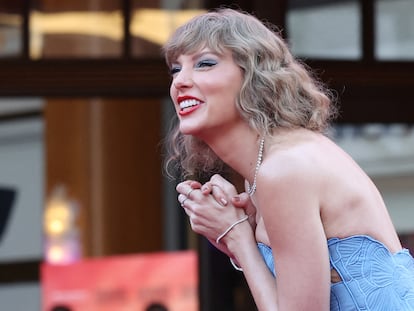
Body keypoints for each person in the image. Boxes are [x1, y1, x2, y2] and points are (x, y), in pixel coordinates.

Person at [163, 8, 414, 311]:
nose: (180, 82)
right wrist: (237, 232)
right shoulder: (270, 167)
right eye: (176, 69)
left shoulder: (284, 170)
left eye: (204, 64)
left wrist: (239, 238)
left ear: (254, 77)